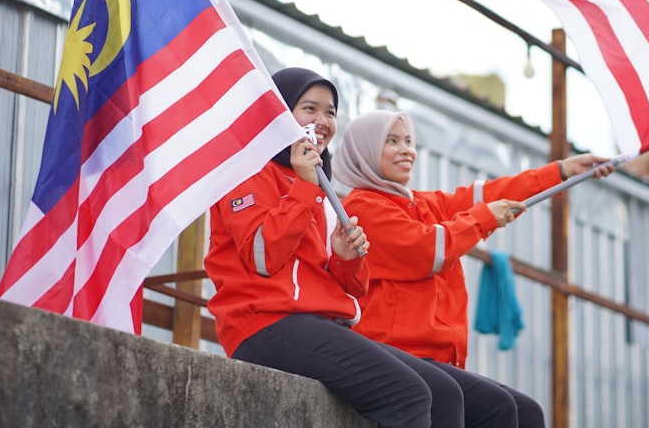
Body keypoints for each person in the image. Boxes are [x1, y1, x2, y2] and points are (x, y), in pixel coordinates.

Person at [204, 68, 464, 427]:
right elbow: (263, 256)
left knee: (445, 393)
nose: (323, 121)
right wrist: (305, 188)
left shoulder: (320, 190)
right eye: (309, 109)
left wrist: (345, 258)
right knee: (409, 394)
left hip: (322, 324)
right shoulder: (247, 171)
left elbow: (354, 289)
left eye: (330, 112)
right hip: (263, 324)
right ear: (279, 112)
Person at [333, 109, 615, 428]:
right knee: (498, 409)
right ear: (365, 150)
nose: (406, 150)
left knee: (528, 412)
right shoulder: (361, 209)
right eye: (392, 141)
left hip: (435, 360)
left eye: (409, 141)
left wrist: (562, 171)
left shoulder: (422, 204)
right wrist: (484, 218)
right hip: (396, 354)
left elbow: (488, 196)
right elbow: (428, 250)